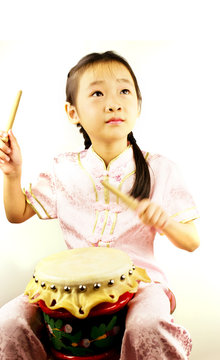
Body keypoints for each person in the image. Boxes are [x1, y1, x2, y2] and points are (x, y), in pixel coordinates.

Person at [0, 51, 200, 360]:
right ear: (72, 112)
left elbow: (191, 240)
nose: (114, 103)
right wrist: (13, 173)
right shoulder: (61, 168)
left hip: (142, 285)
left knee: (147, 324)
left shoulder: (161, 168)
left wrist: (165, 222)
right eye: (97, 93)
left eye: (124, 91)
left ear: (138, 105)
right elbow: (17, 214)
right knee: (9, 321)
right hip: (69, 289)